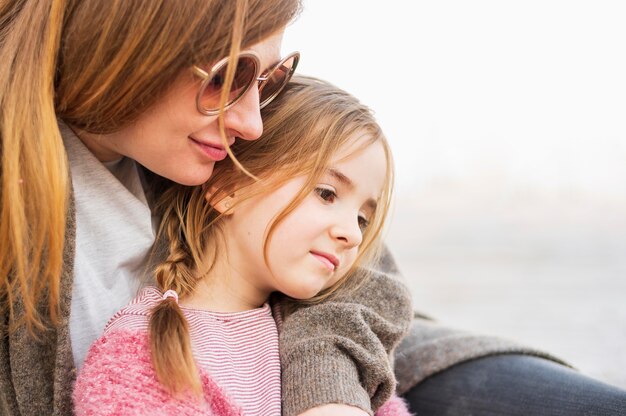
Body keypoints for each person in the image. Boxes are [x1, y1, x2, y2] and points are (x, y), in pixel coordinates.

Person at [1, 1, 412, 415]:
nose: (253, 125)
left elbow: (371, 280)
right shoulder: (133, 361)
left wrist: (325, 382)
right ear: (128, 47)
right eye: (227, 77)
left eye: (269, 80)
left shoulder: (214, 155)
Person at [72, 75, 412, 416]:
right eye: (326, 193)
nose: (353, 234)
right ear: (229, 187)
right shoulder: (140, 355)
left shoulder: (321, 339)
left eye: (363, 219)